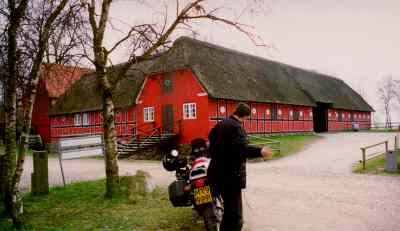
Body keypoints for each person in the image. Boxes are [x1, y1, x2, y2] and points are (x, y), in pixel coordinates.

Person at [208, 102, 273, 231]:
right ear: (246, 116)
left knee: (228, 213)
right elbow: (241, 149)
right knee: (235, 216)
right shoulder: (236, 127)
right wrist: (260, 151)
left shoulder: (220, 124)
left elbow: (211, 140)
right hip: (231, 177)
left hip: (216, 174)